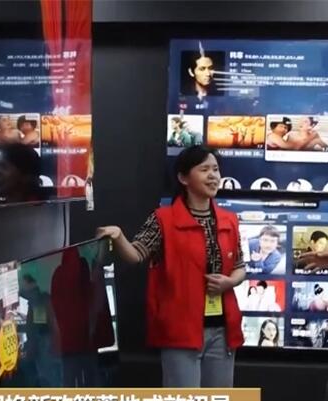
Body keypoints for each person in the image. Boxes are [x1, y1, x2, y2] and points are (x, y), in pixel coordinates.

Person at [97, 146, 246, 387]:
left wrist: (230, 282)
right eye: (204, 169)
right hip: (180, 329)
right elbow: (136, 254)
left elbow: (239, 266)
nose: (213, 176)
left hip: (222, 330)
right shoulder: (163, 219)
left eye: (216, 169)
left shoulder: (229, 220)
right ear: (183, 178)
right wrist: (119, 237)